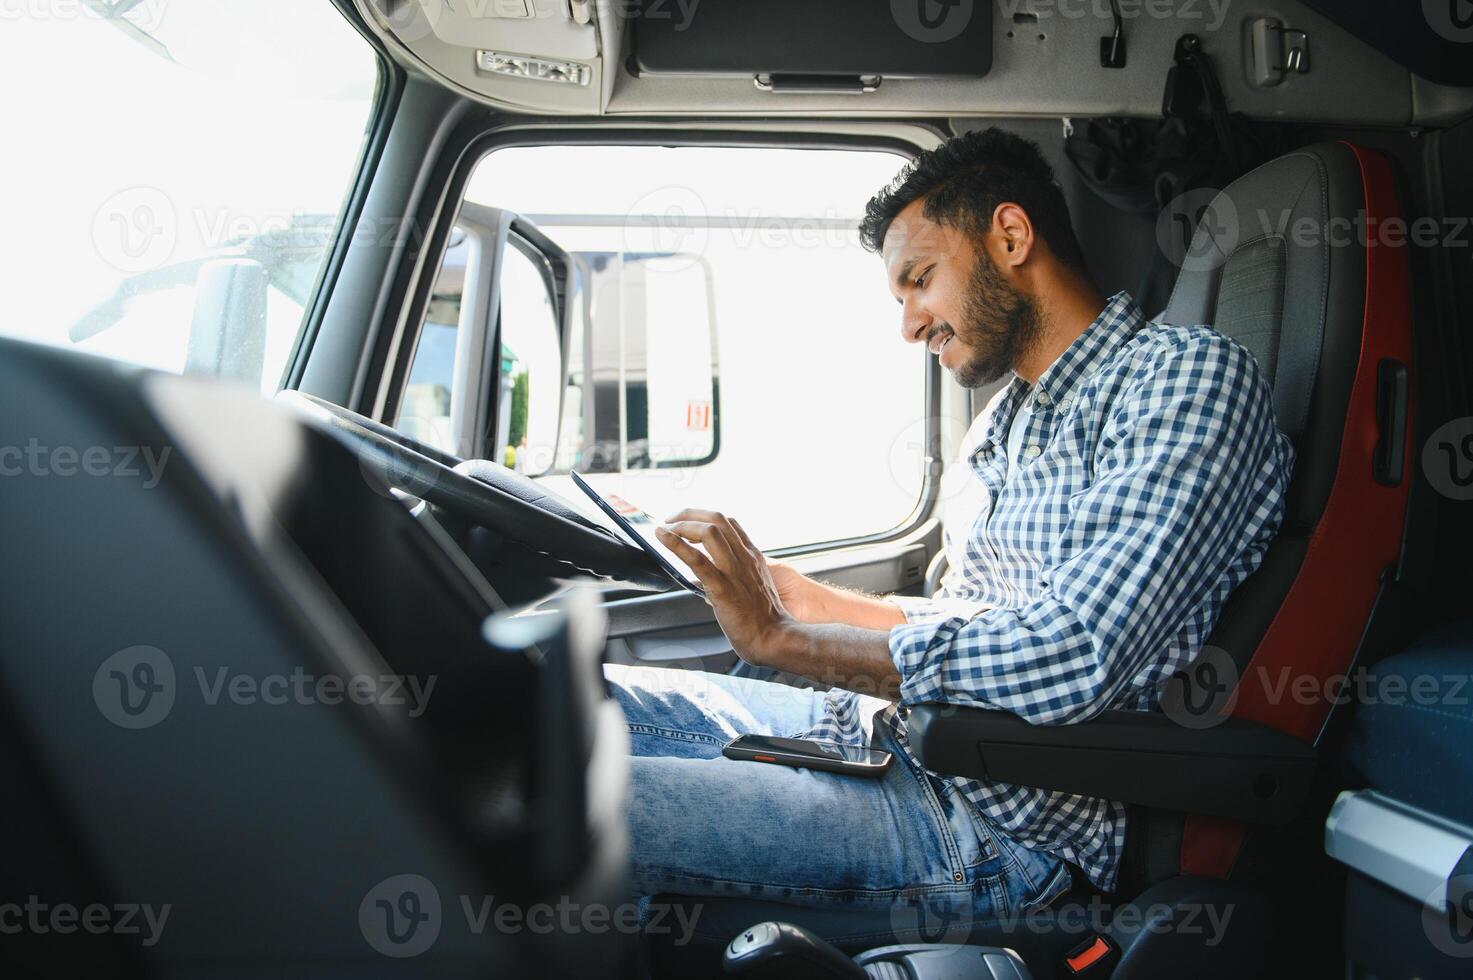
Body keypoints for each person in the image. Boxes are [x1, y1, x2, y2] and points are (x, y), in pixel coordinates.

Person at [607, 128, 1293, 928]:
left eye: (919, 281)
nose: (908, 325)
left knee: (558, 811)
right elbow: (980, 621)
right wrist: (801, 601)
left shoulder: (1181, 379)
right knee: (576, 709)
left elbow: (1071, 652)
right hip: (892, 740)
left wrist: (787, 644)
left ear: (1009, 236)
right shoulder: (1003, 424)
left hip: (1003, 827)